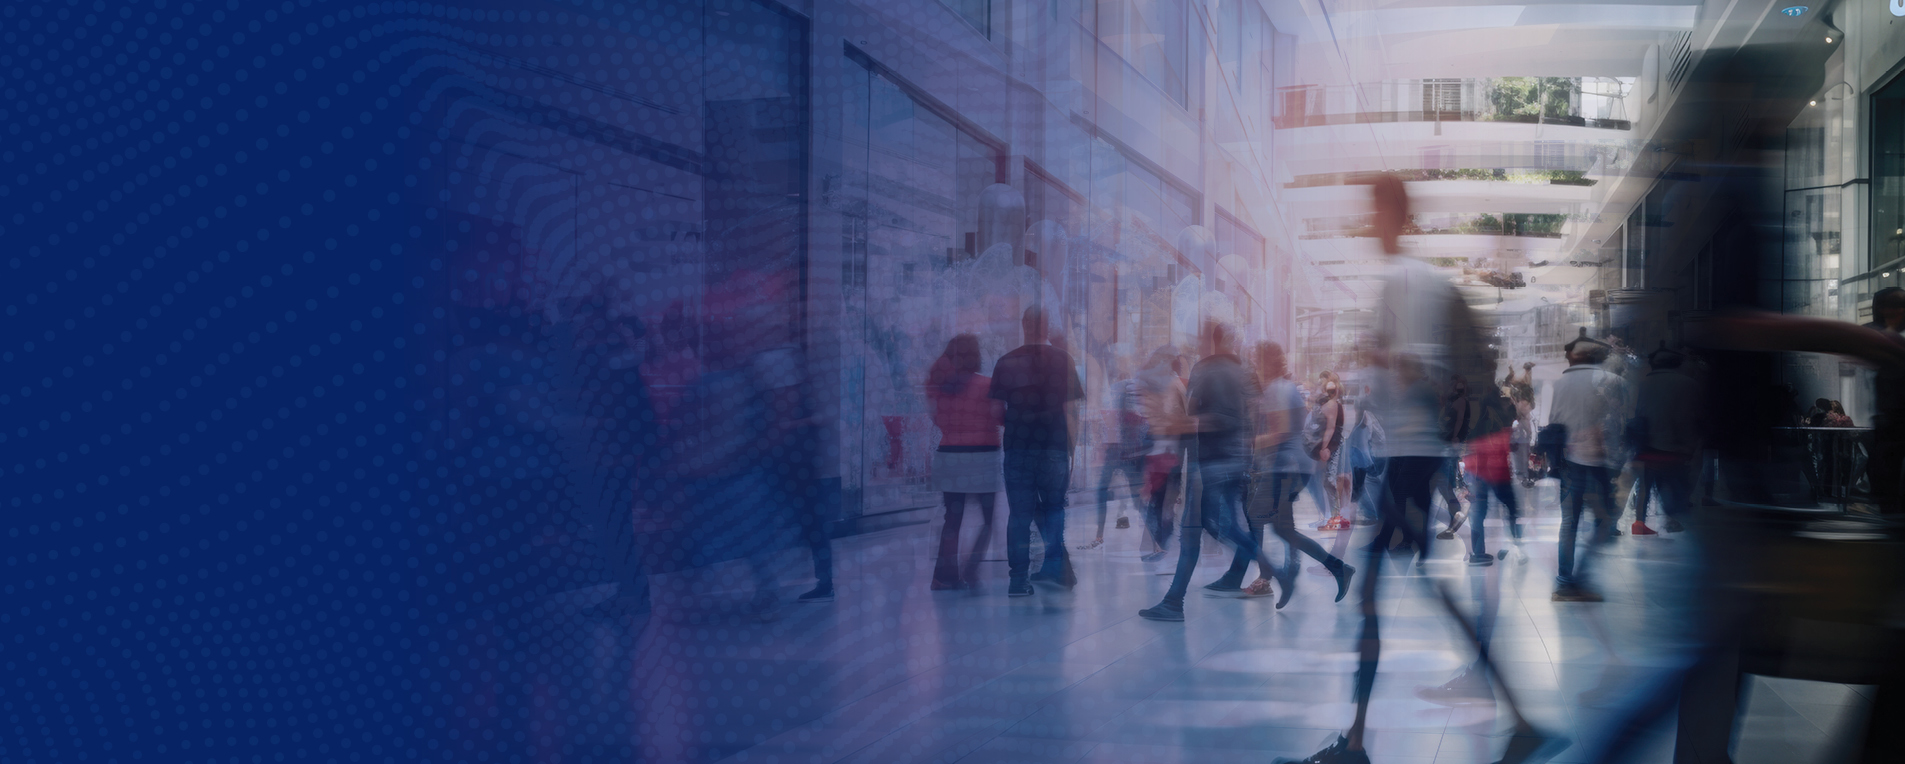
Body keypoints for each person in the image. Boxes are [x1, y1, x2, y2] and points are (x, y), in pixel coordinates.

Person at [1280, 174, 1560, 764]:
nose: (1369, 224)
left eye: (1375, 211)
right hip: (1409, 460)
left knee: (1378, 597)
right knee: (1405, 594)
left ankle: (1360, 743)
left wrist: (1391, 363)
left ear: (1394, 214)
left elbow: (1427, 376)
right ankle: (1507, 719)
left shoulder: (1409, 284)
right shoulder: (1408, 283)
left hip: (1411, 460)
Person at [1138, 321, 1273, 620]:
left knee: (1208, 529)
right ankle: (1179, 599)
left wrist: (1173, 418)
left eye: (1201, 337)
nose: (1198, 342)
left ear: (1214, 340)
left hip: (1209, 460)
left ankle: (1176, 601)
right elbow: (1255, 411)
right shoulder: (1245, 370)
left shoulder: (1205, 369)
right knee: (1220, 526)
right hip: (1238, 458)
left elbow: (1194, 413)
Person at [1239, 342, 1354, 608]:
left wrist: (1248, 443)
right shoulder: (1283, 388)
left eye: (1258, 361)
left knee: (1254, 517)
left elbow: (1279, 434)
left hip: (1285, 467)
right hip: (1292, 467)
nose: (1256, 366)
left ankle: (1279, 576)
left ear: (1267, 363)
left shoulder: (1278, 388)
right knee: (1280, 527)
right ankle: (1331, 569)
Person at [990, 306, 1084, 597]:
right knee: (1055, 509)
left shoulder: (1006, 361)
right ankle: (1056, 568)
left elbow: (996, 411)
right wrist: (1072, 450)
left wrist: (1018, 422)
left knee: (1019, 515)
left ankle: (1018, 580)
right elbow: (1072, 411)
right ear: (1047, 327)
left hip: (1018, 447)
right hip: (1054, 446)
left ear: (1024, 325)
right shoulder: (1064, 360)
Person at [1547, 328, 1628, 602]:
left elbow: (1554, 422)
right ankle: (1579, 579)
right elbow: (1616, 421)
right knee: (1605, 519)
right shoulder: (1608, 380)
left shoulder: (1559, 384)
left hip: (1568, 462)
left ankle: (1564, 582)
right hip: (1595, 461)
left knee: (1569, 522)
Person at [925, 335, 1003, 591]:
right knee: (988, 518)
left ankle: (943, 577)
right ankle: (971, 568)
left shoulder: (941, 387)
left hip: (949, 455)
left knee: (952, 519)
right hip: (982, 456)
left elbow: (936, 419)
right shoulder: (987, 384)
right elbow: (997, 417)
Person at [1628, 343, 1700, 536]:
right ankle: (1671, 518)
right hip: (1675, 447)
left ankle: (1639, 522)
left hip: (1647, 446)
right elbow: (1693, 417)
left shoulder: (1644, 383)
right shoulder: (1689, 384)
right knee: (1673, 486)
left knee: (1645, 485)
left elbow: (1637, 413)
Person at [1083, 359, 1146, 550]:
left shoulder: (1124, 388)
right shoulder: (1125, 389)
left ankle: (1101, 534)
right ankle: (1151, 537)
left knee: (1117, 493)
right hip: (1121, 449)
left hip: (1122, 449)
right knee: (1123, 494)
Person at [1136, 346, 1189, 562]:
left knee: (1161, 500)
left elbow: (1177, 418)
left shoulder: (1172, 384)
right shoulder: (1165, 384)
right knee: (1159, 500)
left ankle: (1161, 545)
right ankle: (1159, 544)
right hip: (1161, 449)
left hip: (1168, 450)